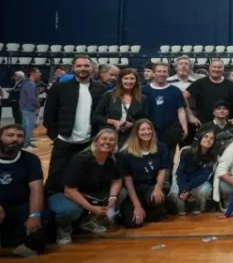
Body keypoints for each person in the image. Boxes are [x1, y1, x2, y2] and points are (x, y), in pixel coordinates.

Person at [47, 128, 124, 245]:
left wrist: (112, 197)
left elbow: (117, 180)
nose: (107, 142)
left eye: (112, 140)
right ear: (96, 141)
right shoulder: (82, 159)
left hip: (87, 192)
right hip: (60, 193)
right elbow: (69, 190)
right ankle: (64, 228)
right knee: (71, 210)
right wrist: (91, 208)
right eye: (104, 139)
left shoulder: (112, 159)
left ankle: (86, 220)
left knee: (121, 193)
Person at [43, 56, 107, 196]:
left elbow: (101, 115)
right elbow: (49, 115)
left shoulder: (100, 88)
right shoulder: (60, 87)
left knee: (84, 180)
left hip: (88, 144)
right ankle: (48, 214)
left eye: (86, 65)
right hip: (64, 141)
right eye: (79, 66)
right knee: (55, 180)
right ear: (73, 68)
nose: (83, 69)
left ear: (92, 68)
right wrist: (56, 137)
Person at [0, 124, 46, 257]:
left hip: (20, 206)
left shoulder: (31, 160)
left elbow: (37, 190)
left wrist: (34, 216)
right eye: (10, 135)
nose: (15, 139)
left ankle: (12, 243)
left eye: (20, 136)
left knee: (38, 241)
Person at [119, 119, 170, 228]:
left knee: (155, 199)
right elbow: (128, 180)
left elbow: (162, 171)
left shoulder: (161, 147)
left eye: (149, 129)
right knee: (132, 223)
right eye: (142, 129)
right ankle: (144, 209)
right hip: (135, 190)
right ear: (136, 132)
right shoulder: (125, 153)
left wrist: (158, 187)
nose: (146, 132)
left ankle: (156, 208)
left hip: (152, 187)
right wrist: (136, 205)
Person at [142, 62, 188, 159]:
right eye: (159, 71)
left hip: (170, 131)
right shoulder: (143, 90)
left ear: (168, 74)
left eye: (164, 72)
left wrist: (184, 127)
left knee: (168, 159)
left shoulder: (175, 90)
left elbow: (181, 110)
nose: (161, 74)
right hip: (149, 131)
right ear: (153, 73)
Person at [92, 68, 149, 144]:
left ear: (136, 81)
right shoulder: (108, 95)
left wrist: (133, 124)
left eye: (132, 78)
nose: (129, 81)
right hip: (110, 136)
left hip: (132, 137)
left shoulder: (142, 98)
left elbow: (144, 120)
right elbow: (96, 116)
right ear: (120, 80)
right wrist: (113, 122)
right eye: (125, 78)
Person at [169, 127, 216, 215]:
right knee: (177, 197)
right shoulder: (186, 151)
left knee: (204, 190)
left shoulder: (213, 156)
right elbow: (180, 173)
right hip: (182, 179)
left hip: (196, 182)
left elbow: (204, 176)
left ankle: (197, 206)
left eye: (212, 138)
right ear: (199, 137)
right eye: (206, 136)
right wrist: (183, 189)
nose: (208, 140)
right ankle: (182, 208)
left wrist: (188, 188)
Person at [186, 59, 233, 125]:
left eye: (219, 67)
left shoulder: (229, 84)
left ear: (223, 69)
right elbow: (183, 97)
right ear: (209, 68)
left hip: (225, 126)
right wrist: (190, 116)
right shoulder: (200, 83)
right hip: (204, 125)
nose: (216, 69)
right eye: (214, 67)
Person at [19, 67, 41, 149]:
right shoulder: (30, 84)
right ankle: (26, 144)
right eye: (38, 72)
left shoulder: (26, 82)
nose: (40, 74)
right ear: (33, 73)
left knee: (25, 125)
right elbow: (32, 98)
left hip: (24, 107)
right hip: (28, 108)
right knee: (29, 126)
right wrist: (37, 105)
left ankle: (24, 142)